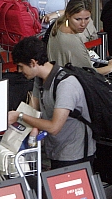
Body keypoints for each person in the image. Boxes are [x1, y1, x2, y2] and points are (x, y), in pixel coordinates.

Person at [8, 36, 95, 168]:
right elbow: (33, 111)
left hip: (75, 154)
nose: (19, 71)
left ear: (33, 63)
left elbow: (54, 127)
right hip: (56, 150)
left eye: (21, 66)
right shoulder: (39, 80)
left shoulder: (66, 84)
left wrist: (19, 116)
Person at [46, 0, 112, 75]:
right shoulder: (72, 40)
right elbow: (89, 73)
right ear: (68, 15)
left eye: (87, 18)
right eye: (78, 19)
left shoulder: (59, 24)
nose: (83, 24)